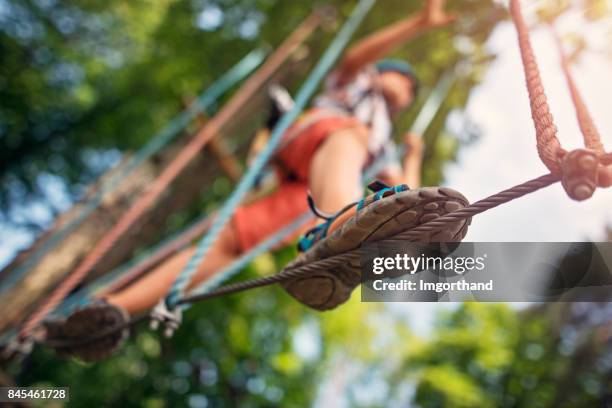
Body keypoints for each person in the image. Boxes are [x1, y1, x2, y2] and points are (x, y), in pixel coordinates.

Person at [46, 0, 471, 362]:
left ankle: (107, 314)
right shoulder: (358, 86)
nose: (410, 90)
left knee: (232, 244)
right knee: (351, 143)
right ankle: (344, 227)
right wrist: (418, 24)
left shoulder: (386, 140)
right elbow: (357, 56)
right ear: (385, 73)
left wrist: (413, 159)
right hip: (308, 142)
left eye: (414, 91)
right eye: (406, 80)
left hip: (309, 195)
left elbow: (408, 195)